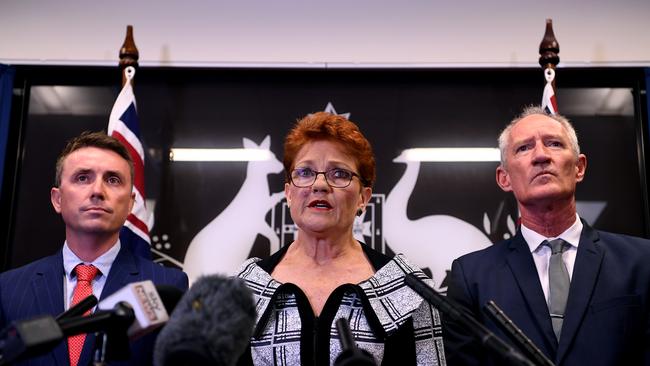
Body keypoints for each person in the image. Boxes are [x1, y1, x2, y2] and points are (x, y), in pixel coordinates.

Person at [444, 106, 650, 366]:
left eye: (554, 144)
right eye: (524, 148)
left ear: (579, 167)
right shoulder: (471, 276)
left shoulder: (642, 262)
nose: (541, 156)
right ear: (504, 178)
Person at [236, 112, 446, 365]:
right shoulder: (245, 287)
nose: (320, 185)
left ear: (363, 198)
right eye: (305, 172)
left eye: (339, 174)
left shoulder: (408, 288)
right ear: (289, 193)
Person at [0, 131, 188, 366]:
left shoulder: (166, 287)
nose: (98, 191)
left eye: (112, 180)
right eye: (82, 178)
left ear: (131, 203)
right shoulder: (8, 289)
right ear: (57, 199)